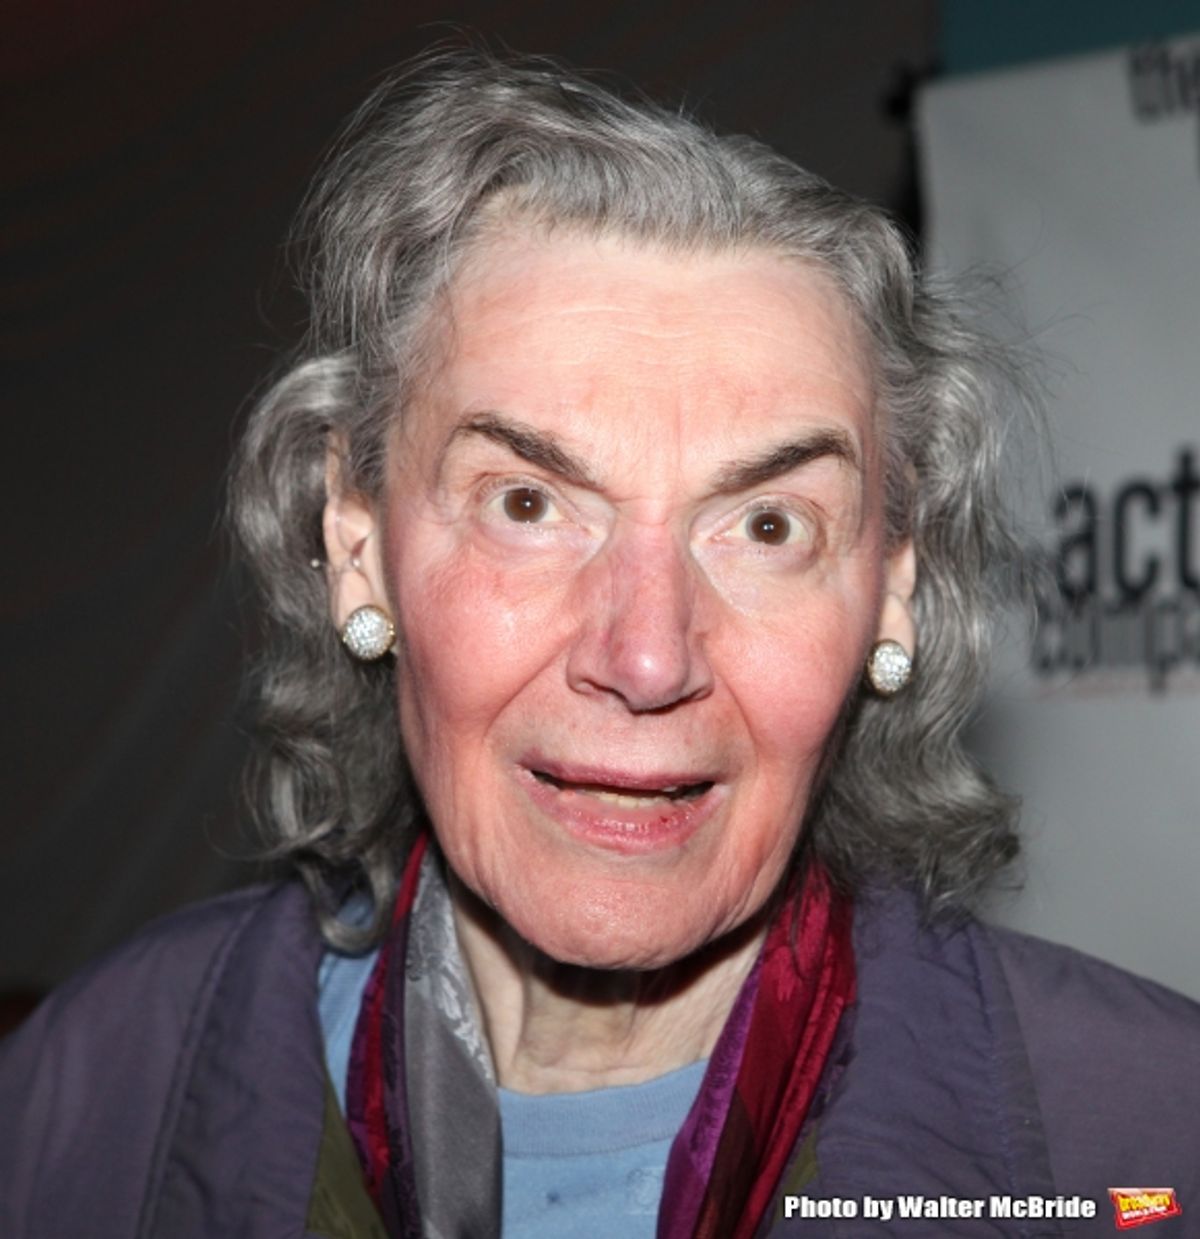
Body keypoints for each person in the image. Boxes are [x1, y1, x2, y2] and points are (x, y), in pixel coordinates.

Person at [2, 48, 1197, 1239]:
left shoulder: (1147, 1146)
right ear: (356, 543)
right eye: (527, 504)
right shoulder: (92, 1097)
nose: (647, 657)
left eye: (768, 526)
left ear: (893, 591)